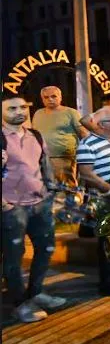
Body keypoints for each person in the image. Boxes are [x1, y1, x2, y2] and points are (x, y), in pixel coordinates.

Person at [2, 94, 66, 322]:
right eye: (12, 108)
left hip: (40, 204)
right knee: (14, 258)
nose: (19, 111)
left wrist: (51, 193)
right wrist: (4, 205)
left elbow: (45, 165)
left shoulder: (35, 135)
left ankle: (36, 292)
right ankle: (20, 304)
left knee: (46, 249)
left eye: (22, 107)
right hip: (12, 208)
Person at [76, 106, 110, 296]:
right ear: (101, 125)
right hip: (104, 199)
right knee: (109, 242)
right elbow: (86, 174)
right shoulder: (87, 144)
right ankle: (109, 282)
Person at [31, 85, 88, 191]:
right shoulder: (38, 113)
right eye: (46, 97)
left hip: (64, 157)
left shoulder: (71, 112)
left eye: (53, 96)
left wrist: (88, 155)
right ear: (42, 99)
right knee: (47, 189)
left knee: (67, 188)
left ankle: (73, 202)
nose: (50, 99)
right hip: (42, 158)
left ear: (60, 97)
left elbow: (83, 133)